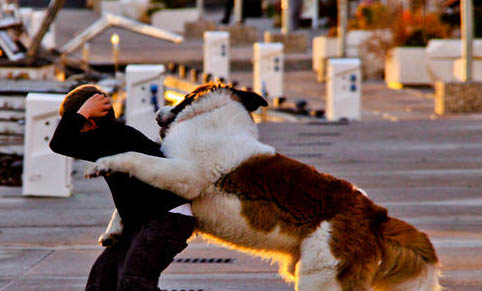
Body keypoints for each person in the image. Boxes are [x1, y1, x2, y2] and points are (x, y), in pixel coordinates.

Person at [49, 84, 196, 291]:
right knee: (102, 281)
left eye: (79, 125)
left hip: (167, 219)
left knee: (134, 282)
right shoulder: (119, 136)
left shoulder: (110, 137)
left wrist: (82, 112)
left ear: (90, 123)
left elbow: (60, 143)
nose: (78, 133)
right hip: (149, 221)